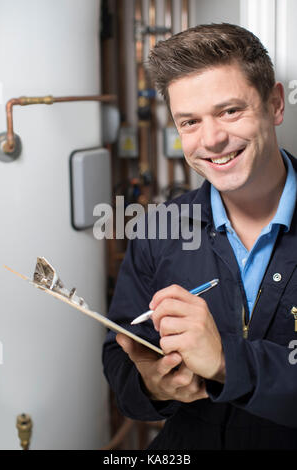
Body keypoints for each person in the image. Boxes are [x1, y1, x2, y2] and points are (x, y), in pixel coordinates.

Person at [102, 23, 297, 450]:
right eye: (189, 121)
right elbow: (118, 354)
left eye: (230, 111)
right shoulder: (159, 227)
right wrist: (153, 385)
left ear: (275, 104)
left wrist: (227, 361)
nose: (211, 140)